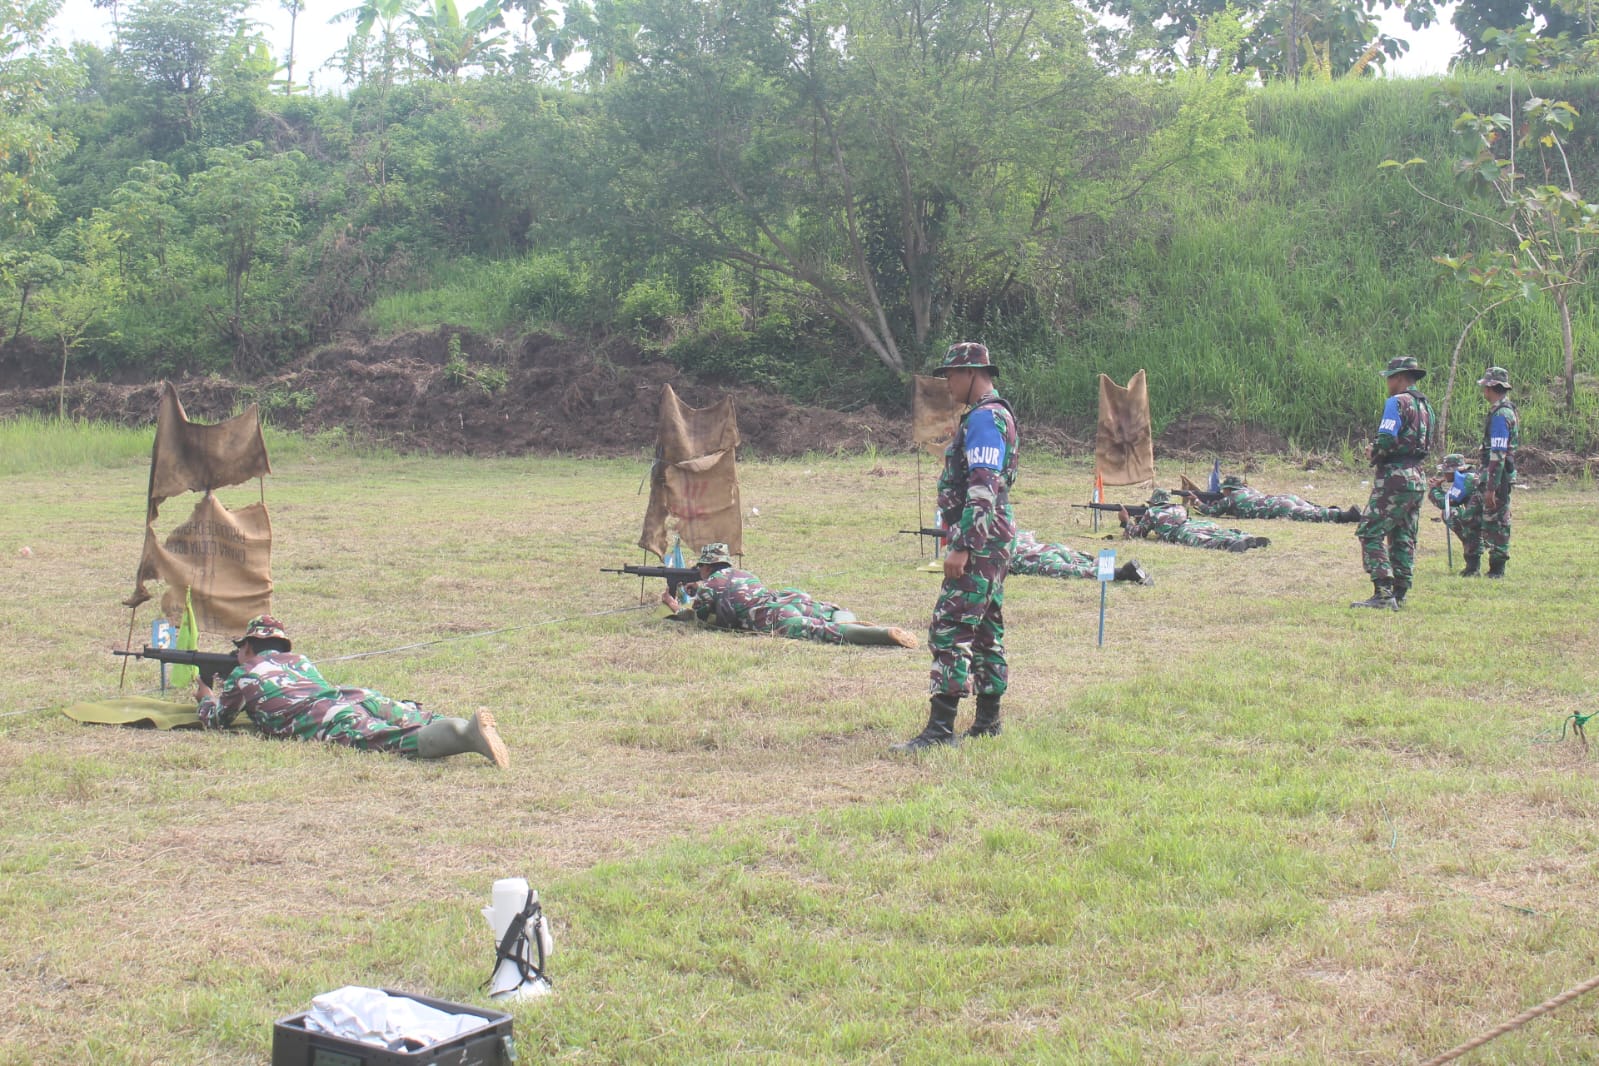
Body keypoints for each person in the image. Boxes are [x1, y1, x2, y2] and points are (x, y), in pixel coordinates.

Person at [893, 342, 1019, 751]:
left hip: (979, 540)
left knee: (950, 626)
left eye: (951, 375)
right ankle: (987, 721)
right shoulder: (993, 416)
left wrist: (962, 546)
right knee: (985, 628)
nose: (947, 383)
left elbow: (983, 487)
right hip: (994, 537)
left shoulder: (985, 420)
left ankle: (940, 731)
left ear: (971, 373)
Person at [196, 615, 509, 767]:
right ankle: (459, 723)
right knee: (411, 714)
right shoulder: (300, 661)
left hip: (320, 716)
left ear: (248, 646)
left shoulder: (244, 673)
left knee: (389, 739)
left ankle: (468, 735)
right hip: (349, 696)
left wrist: (205, 698)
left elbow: (218, 720)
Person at [663, 543, 917, 647]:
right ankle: (845, 618)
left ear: (706, 567)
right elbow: (732, 592)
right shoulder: (744, 573)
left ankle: (883, 634)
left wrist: (675, 606)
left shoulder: (709, 587)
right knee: (827, 611)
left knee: (821, 633)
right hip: (785, 600)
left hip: (774, 618)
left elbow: (699, 619)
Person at [1351, 355, 1434, 610]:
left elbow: (1386, 439)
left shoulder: (1396, 403)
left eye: (1389, 378)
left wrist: (1373, 452)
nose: (1387, 383)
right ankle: (1401, 591)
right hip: (1418, 475)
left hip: (1395, 477)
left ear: (1398, 378)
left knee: (1370, 531)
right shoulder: (1425, 406)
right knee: (1404, 535)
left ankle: (1384, 593)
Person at [1119, 489, 1269, 552]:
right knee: (1216, 531)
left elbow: (1138, 534)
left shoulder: (1152, 512)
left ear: (1153, 502)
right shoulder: (1179, 507)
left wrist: (1126, 521)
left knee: (1204, 540)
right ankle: (1244, 537)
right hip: (1195, 523)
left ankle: (1230, 544)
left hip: (1181, 531)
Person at [1477, 366, 1519, 579]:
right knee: (1493, 519)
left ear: (1492, 387)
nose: (1483, 390)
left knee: (1498, 521)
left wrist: (1491, 487)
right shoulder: (1504, 410)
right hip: (1500, 474)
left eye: (1485, 386)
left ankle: (1497, 568)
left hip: (1499, 476)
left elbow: (1498, 453)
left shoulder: (1501, 415)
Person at [1187, 475, 1360, 523]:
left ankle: (1345, 515)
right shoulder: (1248, 490)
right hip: (1284, 498)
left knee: (1311, 515)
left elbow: (1212, 512)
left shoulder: (1231, 498)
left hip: (1279, 508)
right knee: (1310, 509)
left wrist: (1197, 502)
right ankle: (1332, 510)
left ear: (1227, 489)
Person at [1008, 530, 1153, 585]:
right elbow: (1029, 533)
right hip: (1051, 548)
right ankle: (1119, 570)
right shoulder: (1013, 531)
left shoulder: (993, 545)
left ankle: (1120, 573)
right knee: (1079, 560)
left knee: (1073, 570)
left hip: (1033, 559)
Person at [1427, 453, 1485, 574]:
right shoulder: (1469, 476)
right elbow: (1453, 498)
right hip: (1487, 516)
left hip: (1484, 520)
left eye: (1446, 471)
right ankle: (1472, 565)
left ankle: (1473, 567)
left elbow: (1446, 503)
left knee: (1450, 514)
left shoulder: (1465, 479)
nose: (1444, 474)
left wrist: (1434, 489)